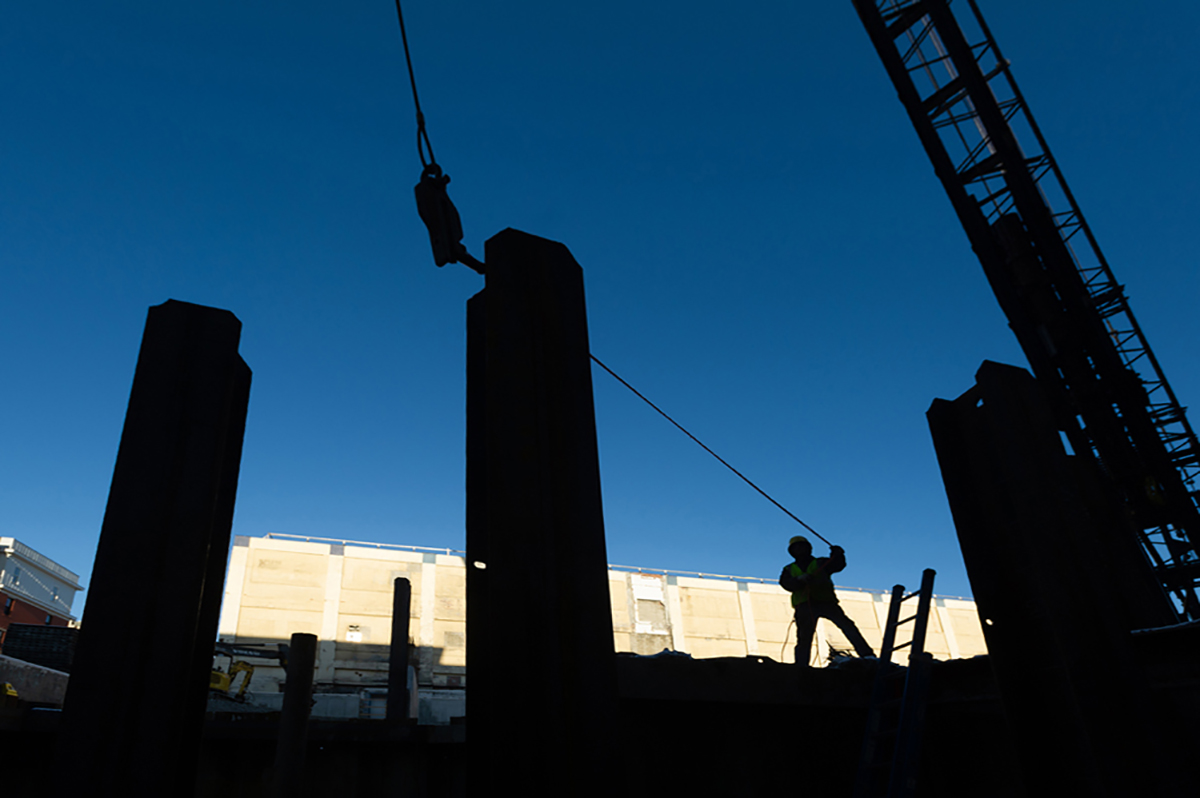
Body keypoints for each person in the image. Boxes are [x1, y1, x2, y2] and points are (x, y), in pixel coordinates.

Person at [779, 535, 874, 666]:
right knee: (805, 637)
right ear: (792, 551)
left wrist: (838, 554)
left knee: (847, 627)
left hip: (825, 602)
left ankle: (867, 655)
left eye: (802, 546)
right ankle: (801, 665)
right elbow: (786, 584)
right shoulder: (789, 569)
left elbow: (837, 565)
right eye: (797, 547)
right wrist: (799, 580)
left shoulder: (820, 563)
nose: (800, 549)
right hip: (806, 606)